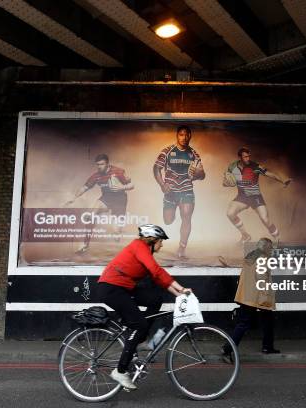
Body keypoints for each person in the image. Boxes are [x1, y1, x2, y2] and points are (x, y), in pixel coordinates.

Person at [97, 224, 192, 390]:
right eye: (160, 241)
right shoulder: (139, 246)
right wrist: (181, 288)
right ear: (152, 240)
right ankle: (120, 371)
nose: (161, 245)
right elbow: (156, 271)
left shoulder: (145, 252)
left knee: (155, 299)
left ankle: (139, 339)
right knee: (139, 324)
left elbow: (159, 279)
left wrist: (180, 295)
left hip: (124, 287)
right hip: (112, 288)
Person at [222, 237, 279, 362]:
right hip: (258, 296)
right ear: (266, 247)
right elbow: (261, 278)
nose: (271, 251)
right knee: (244, 324)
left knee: (267, 319)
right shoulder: (263, 259)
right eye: (270, 248)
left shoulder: (250, 256)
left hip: (247, 295)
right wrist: (266, 296)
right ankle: (227, 350)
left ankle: (267, 346)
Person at [153, 126, 205, 259]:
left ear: (190, 137)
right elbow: (156, 168)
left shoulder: (194, 154)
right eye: (181, 135)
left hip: (186, 189)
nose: (184, 137)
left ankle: (182, 248)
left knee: (186, 216)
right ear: (177, 136)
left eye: (187, 135)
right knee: (168, 220)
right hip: (170, 192)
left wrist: (198, 174)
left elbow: (202, 174)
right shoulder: (167, 151)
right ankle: (173, 211)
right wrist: (162, 184)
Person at [65, 154, 134, 251]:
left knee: (116, 231)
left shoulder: (118, 171)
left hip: (120, 200)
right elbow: (85, 187)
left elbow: (132, 185)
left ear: (107, 164)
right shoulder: (96, 176)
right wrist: (74, 197)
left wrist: (122, 187)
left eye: (101, 164)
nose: (99, 167)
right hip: (106, 198)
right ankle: (85, 244)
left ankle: (118, 233)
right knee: (91, 215)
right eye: (97, 164)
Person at [224, 147, 292, 243]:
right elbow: (226, 181)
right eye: (245, 157)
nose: (248, 158)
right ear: (240, 157)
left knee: (265, 219)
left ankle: (278, 238)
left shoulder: (255, 166)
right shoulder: (232, 167)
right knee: (230, 213)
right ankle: (245, 236)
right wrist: (227, 183)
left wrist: (282, 180)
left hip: (255, 197)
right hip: (242, 197)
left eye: (248, 156)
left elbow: (270, 174)